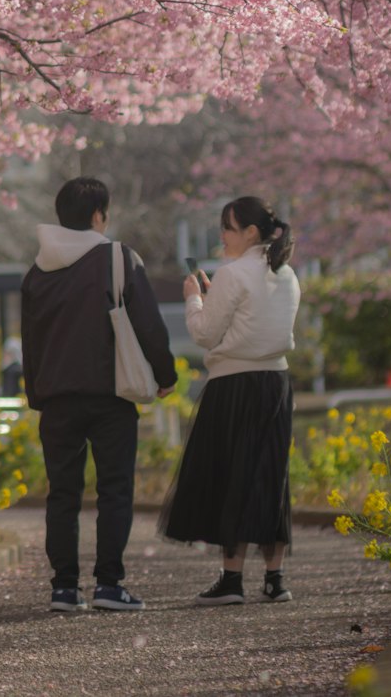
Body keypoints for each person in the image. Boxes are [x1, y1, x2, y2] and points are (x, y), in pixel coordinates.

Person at [21, 177, 177, 613]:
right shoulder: (117, 257)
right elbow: (147, 322)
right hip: (110, 395)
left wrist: (39, 396)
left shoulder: (37, 271)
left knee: (62, 494)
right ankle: (109, 585)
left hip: (56, 401)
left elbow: (29, 341)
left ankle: (64, 589)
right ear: (97, 215)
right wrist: (165, 375)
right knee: (114, 489)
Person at [160, 196, 301, 605]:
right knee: (272, 475)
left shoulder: (231, 273)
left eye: (227, 227)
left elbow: (204, 334)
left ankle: (232, 579)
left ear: (250, 233)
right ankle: (275, 579)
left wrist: (193, 297)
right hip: (276, 381)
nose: (221, 235)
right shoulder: (288, 275)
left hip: (233, 382)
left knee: (231, 473)